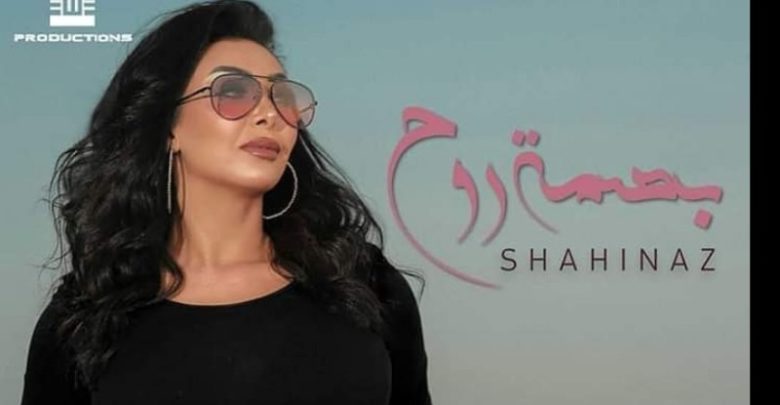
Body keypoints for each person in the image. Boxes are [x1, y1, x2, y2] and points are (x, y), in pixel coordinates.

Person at [20, 1, 432, 404]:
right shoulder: (86, 318)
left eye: (281, 95)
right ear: (168, 127)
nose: (269, 114)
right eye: (233, 91)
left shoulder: (363, 281)